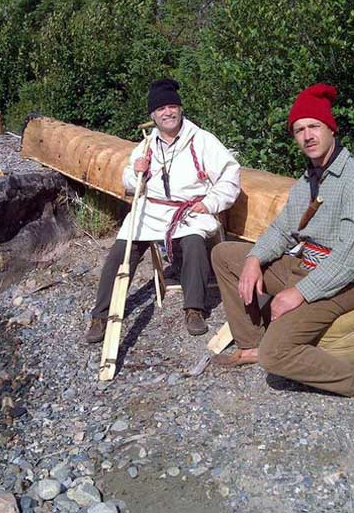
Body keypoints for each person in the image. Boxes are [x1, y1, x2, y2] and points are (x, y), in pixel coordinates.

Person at [210, 83, 354, 414]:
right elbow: (284, 229)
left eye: (314, 126)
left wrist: (299, 294)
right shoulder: (308, 180)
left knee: (277, 356)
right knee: (225, 255)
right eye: (299, 129)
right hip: (301, 266)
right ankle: (251, 344)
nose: (307, 135)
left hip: (343, 283)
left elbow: (351, 259)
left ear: (331, 129)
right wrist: (255, 258)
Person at [85, 78, 241, 342]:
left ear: (180, 109)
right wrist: (137, 173)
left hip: (189, 212)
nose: (167, 112)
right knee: (120, 252)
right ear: (153, 116)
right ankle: (102, 314)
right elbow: (130, 183)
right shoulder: (146, 145)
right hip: (151, 212)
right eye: (161, 109)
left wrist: (210, 203)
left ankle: (194, 308)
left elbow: (230, 175)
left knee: (193, 242)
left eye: (172, 106)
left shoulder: (201, 140)